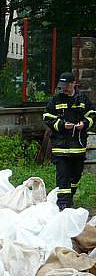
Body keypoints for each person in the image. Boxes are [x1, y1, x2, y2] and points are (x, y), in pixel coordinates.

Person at [43, 72, 95, 210]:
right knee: (63, 177)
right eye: (62, 86)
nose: (64, 88)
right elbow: (47, 117)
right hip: (61, 147)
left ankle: (69, 197)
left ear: (73, 84)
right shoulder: (56, 100)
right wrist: (61, 125)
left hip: (78, 147)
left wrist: (84, 124)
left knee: (75, 176)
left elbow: (92, 115)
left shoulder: (83, 100)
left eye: (66, 85)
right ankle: (63, 205)